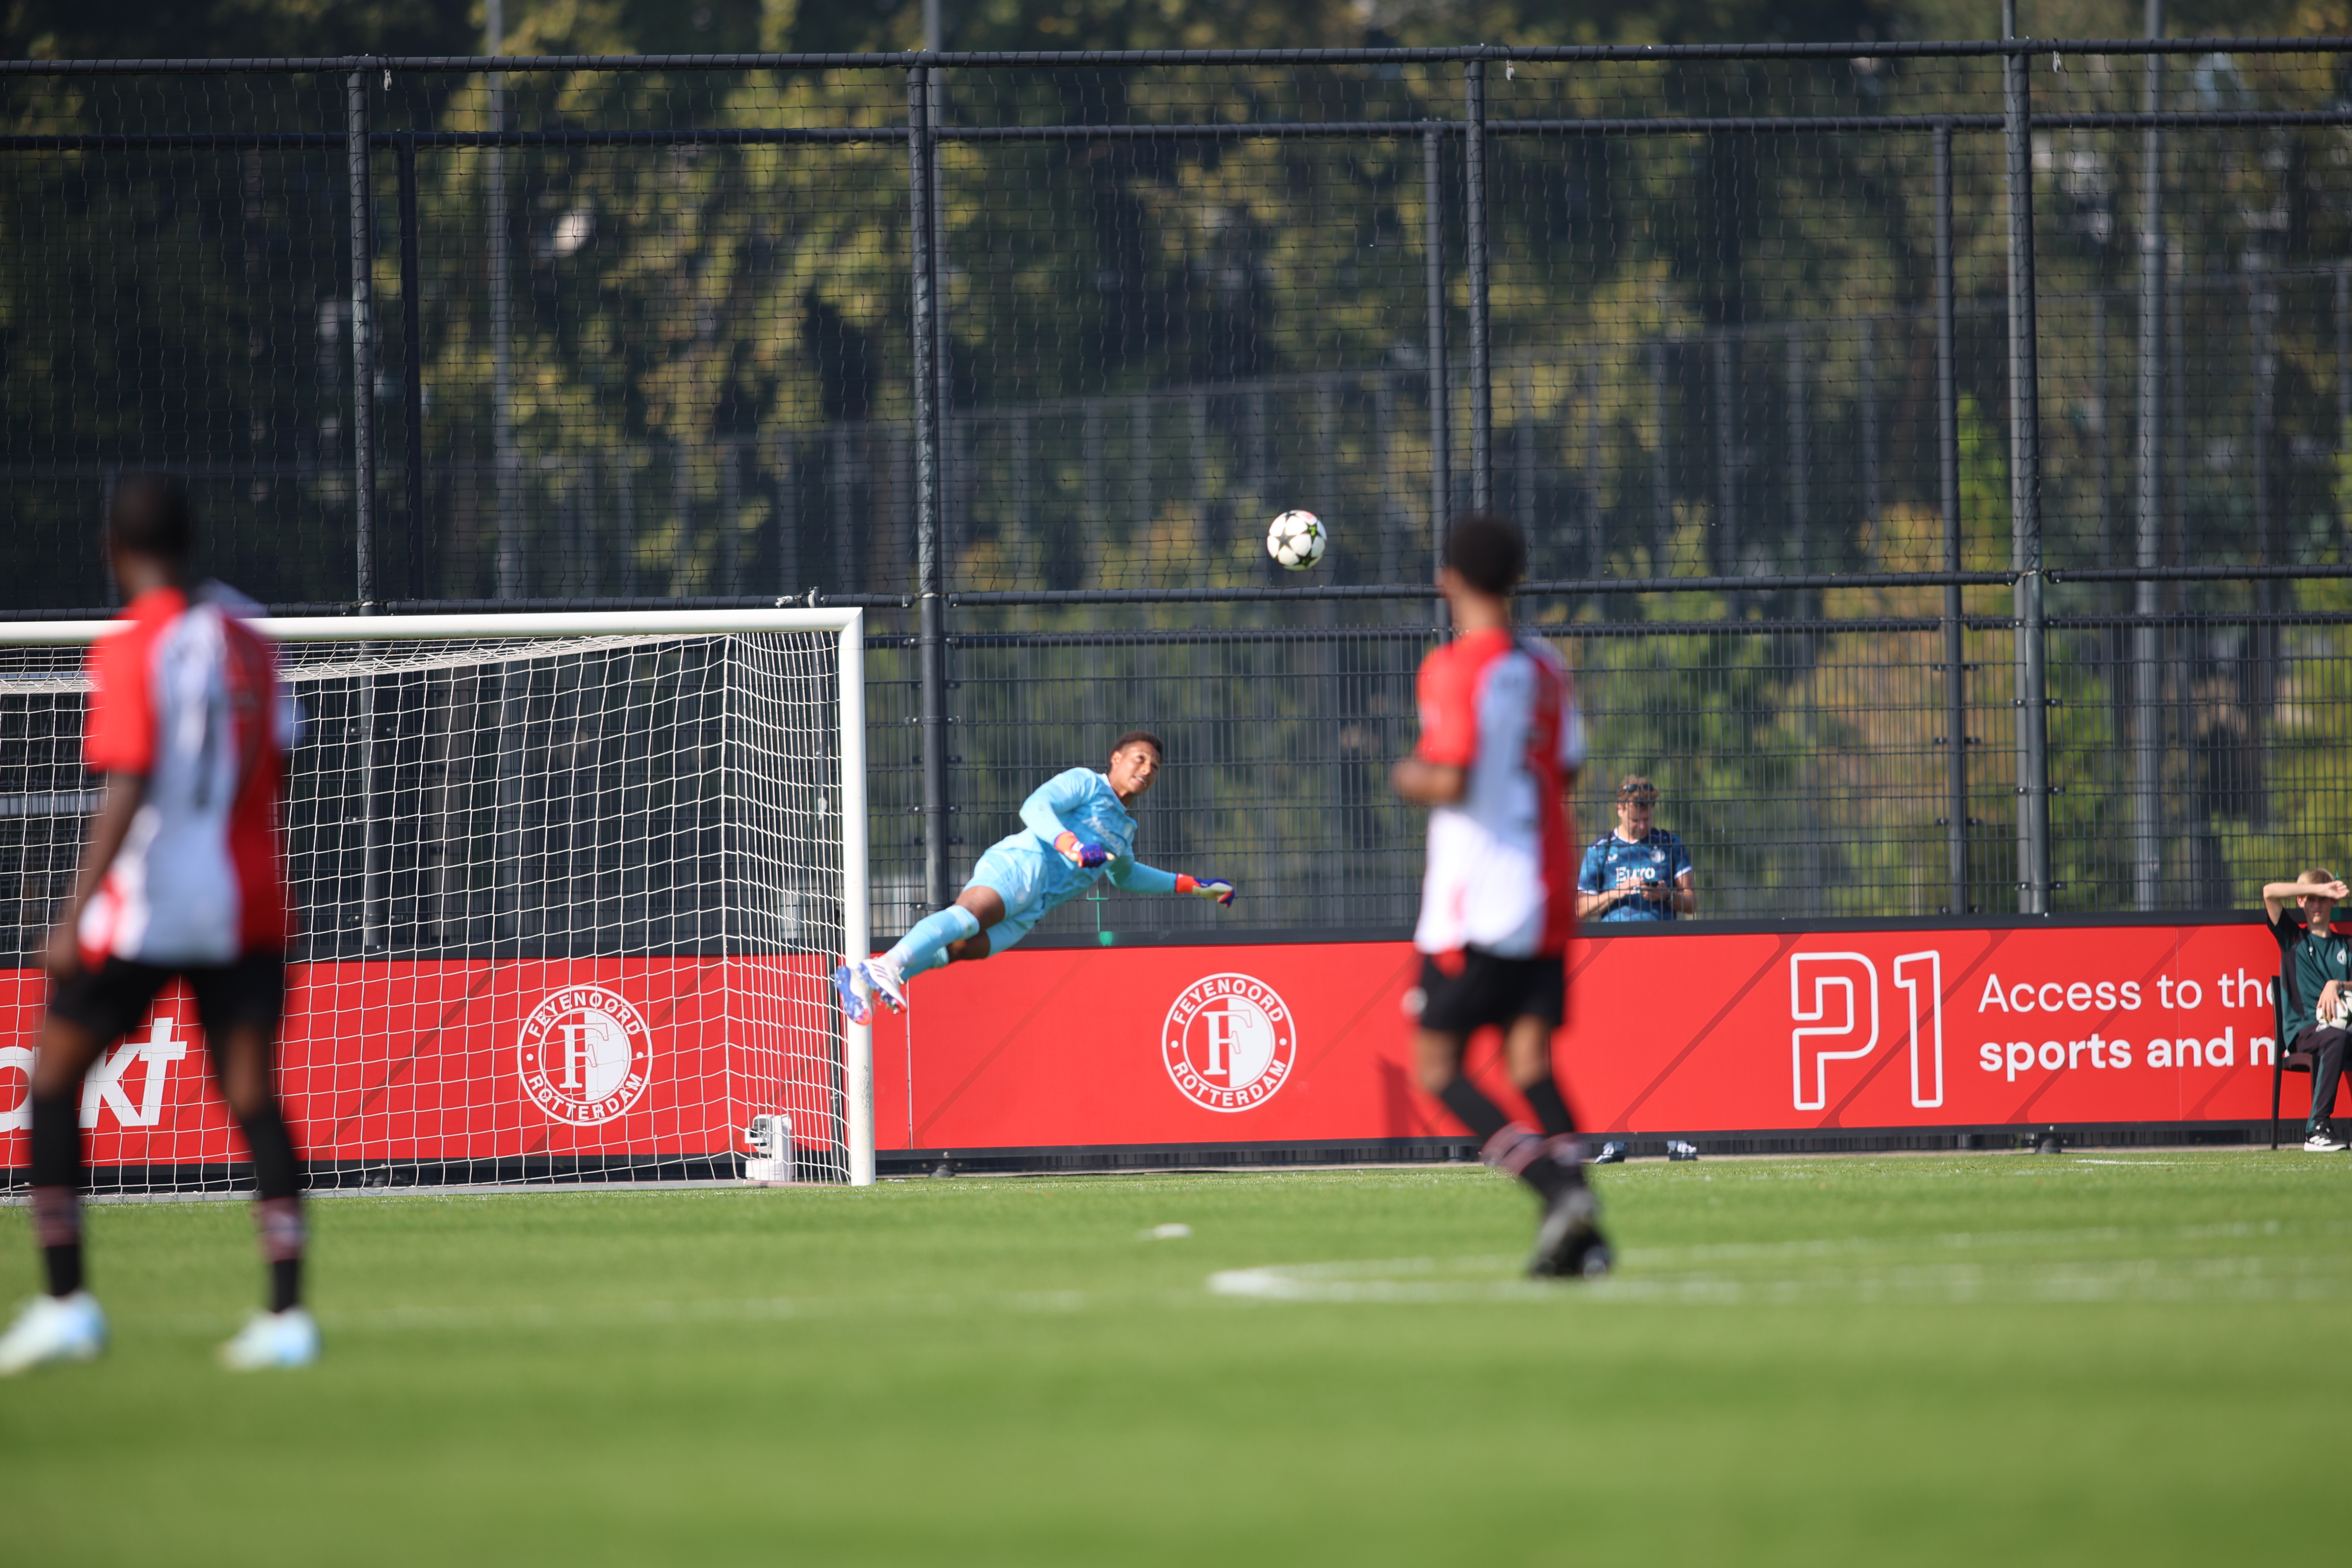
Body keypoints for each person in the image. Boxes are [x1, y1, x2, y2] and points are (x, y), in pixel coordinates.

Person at [0, 475, 316, 1374]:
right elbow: (279, 768)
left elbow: (131, 777)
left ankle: (67, 1302)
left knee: (55, 1080)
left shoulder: (136, 644)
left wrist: (71, 912)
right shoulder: (250, 638)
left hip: (148, 906)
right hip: (247, 897)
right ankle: (288, 1316)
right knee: (253, 1094)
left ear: (115, 549)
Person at [1390, 513, 1609, 1279]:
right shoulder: (1549, 665)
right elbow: (1571, 766)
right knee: (1530, 1063)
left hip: (1477, 900)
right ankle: (1586, 1228)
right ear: (1518, 578)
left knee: (1439, 1068)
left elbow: (1447, 775)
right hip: (1546, 888)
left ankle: (1555, 1191)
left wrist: (1406, 773)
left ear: (1447, 579)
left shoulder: (1454, 666)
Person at [835, 733, 1236, 1021]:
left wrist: (1192, 886)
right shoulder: (1087, 783)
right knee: (971, 914)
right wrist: (1070, 843)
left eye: (1155, 766)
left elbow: (1125, 875)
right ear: (1116, 758)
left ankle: (865, 978)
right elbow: (1035, 806)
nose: (1147, 770)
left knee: (961, 949)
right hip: (1022, 864)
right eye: (1139, 759)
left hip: (1036, 906)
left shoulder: (1125, 829)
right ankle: (886, 964)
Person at [2261, 867, 2352, 1153]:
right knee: (2335, 1036)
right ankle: (2316, 1129)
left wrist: (2336, 984)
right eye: (2311, 898)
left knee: (2339, 1034)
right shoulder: (2293, 939)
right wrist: (2323, 888)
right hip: (2304, 1031)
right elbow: (2269, 893)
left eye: (2323, 899)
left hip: (2343, 1029)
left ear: (2333, 904)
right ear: (2301, 901)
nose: (2316, 904)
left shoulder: (2346, 946)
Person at [1576, 774, 1695, 922]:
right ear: (1620, 809)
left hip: (1661, 941)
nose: (1642, 826)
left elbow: (1692, 903)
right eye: (1635, 820)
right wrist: (1614, 894)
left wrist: (1667, 895)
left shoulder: (1670, 845)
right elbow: (1580, 909)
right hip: (1617, 942)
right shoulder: (1600, 849)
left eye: (1647, 819)